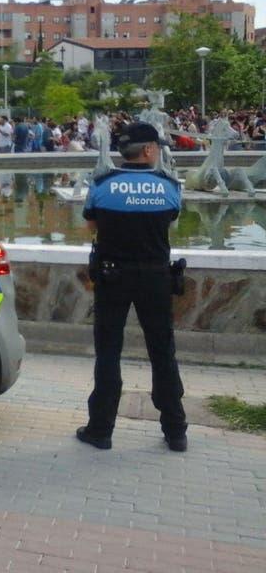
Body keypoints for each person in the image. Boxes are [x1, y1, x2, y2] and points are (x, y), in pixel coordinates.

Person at [77, 122, 187, 453]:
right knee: (162, 352)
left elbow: (92, 224)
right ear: (149, 150)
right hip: (155, 278)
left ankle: (101, 430)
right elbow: (171, 220)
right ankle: (176, 431)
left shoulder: (102, 184)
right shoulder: (168, 186)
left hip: (112, 278)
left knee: (108, 352)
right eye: (159, 147)